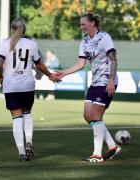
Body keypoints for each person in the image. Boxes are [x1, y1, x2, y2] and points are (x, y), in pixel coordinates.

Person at [57, 12, 121, 162]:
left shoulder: (104, 37)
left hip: (106, 81)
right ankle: (113, 146)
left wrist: (111, 79)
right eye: (80, 24)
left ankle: (97, 154)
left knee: (96, 116)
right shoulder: (84, 42)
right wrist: (64, 73)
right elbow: (80, 64)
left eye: (83, 24)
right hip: (95, 82)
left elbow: (113, 59)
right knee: (88, 116)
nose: (81, 27)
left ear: (93, 23)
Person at [0, 17, 60, 161]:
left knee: (16, 118)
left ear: (12, 29)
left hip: (11, 86)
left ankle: (21, 153)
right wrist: (50, 75)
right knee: (27, 113)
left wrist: (1, 77)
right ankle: (29, 141)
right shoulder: (32, 44)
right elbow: (39, 65)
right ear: (24, 30)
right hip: (27, 85)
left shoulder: (5, 43)